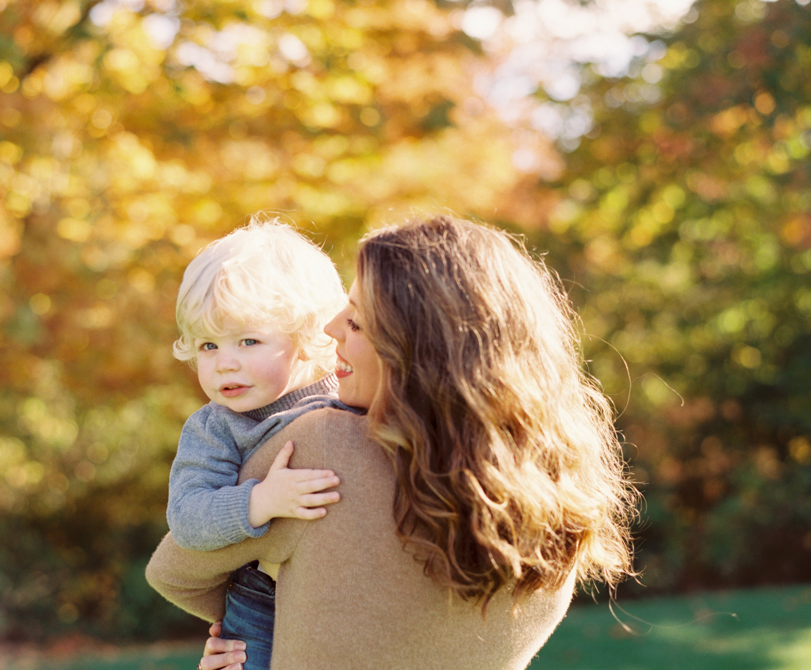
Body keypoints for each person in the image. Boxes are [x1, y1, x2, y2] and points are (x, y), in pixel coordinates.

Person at [146, 215, 637, 670]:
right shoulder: (550, 494)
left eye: (355, 321)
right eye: (209, 345)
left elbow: (174, 571)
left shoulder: (326, 445)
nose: (331, 328)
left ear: (413, 347)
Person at [164, 218, 358, 670]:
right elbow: (187, 518)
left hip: (345, 586)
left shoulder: (349, 396)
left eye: (248, 340)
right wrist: (261, 501)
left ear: (308, 339)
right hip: (261, 602)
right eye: (208, 345)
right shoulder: (216, 427)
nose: (224, 364)